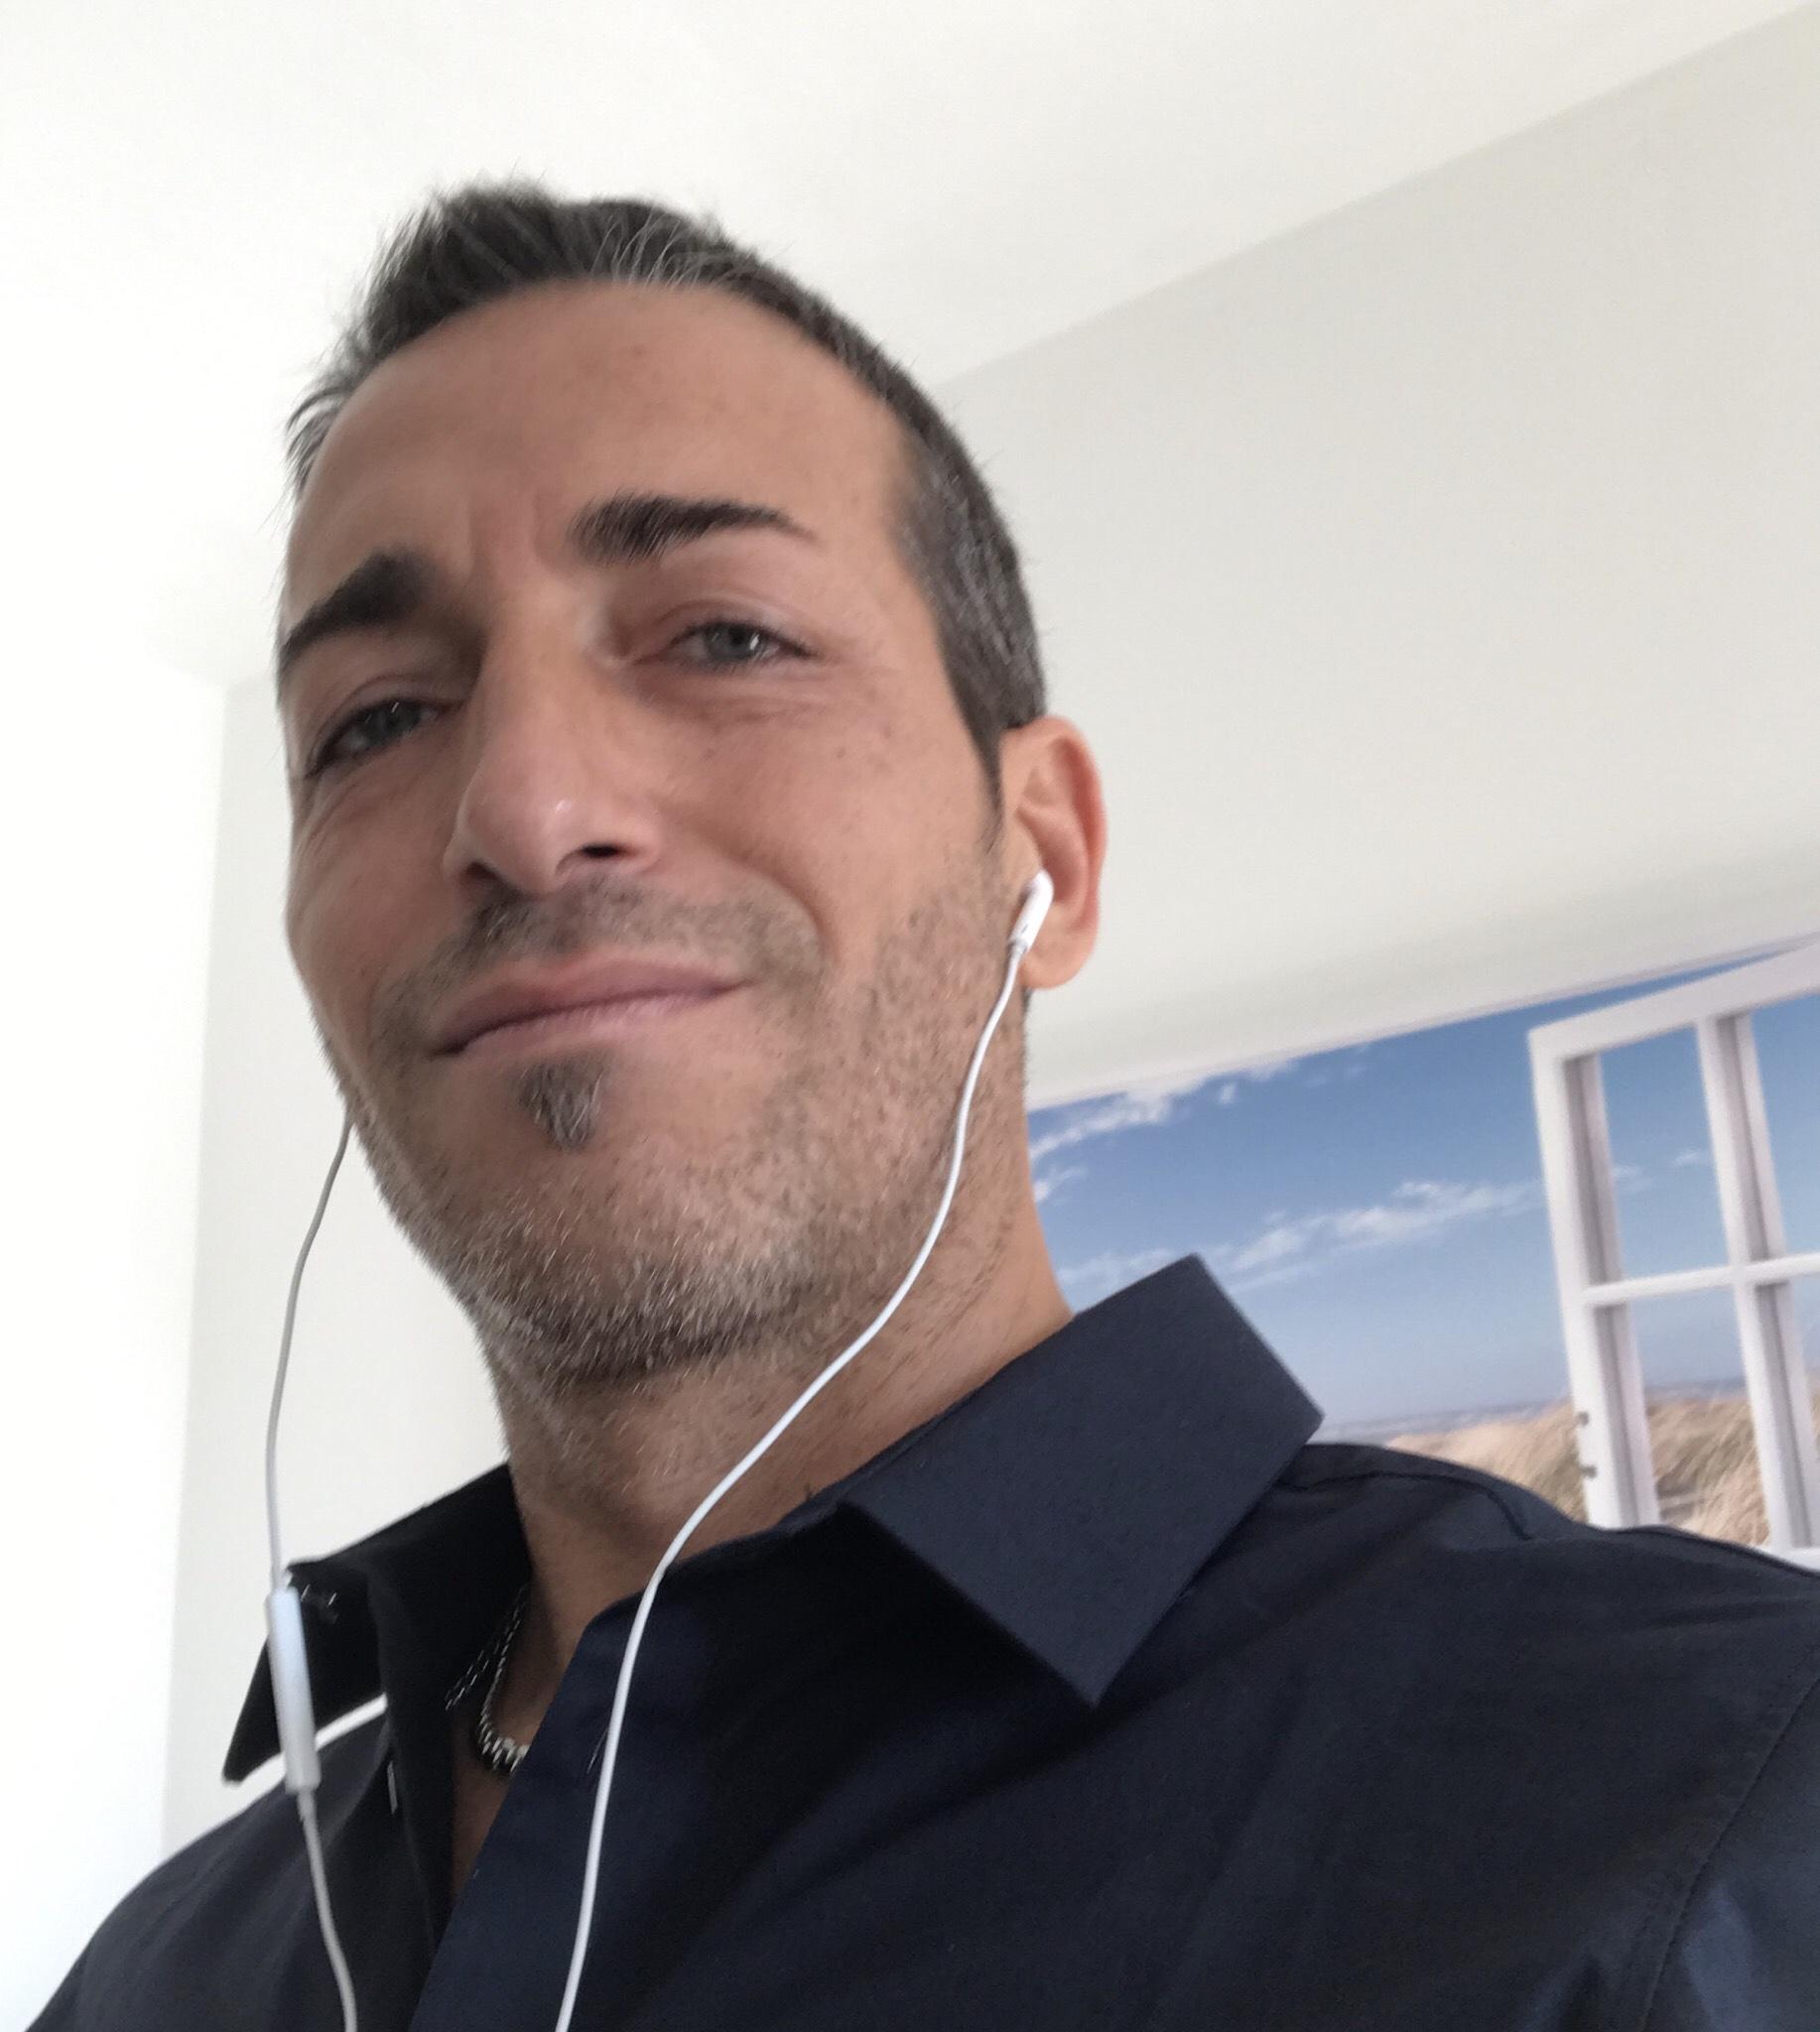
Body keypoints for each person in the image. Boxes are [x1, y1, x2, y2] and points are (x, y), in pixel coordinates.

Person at [35, 183, 1820, 2032]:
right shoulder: (154, 1972)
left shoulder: (1721, 1810)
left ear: (1044, 852)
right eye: (374, 720)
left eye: (726, 636)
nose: (525, 806)